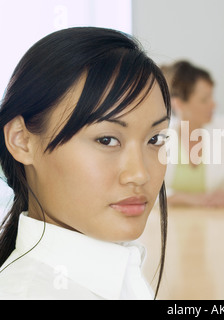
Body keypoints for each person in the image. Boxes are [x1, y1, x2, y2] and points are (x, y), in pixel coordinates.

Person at [0, 27, 170, 299]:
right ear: (22, 140)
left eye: (155, 139)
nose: (139, 174)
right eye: (106, 140)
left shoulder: (118, 274)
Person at [161, 60, 224, 207]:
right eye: (204, 99)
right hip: (171, 225)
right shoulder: (160, 136)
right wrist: (186, 199)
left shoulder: (222, 128)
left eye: (211, 96)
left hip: (216, 223)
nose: (214, 104)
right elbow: (145, 191)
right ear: (178, 104)